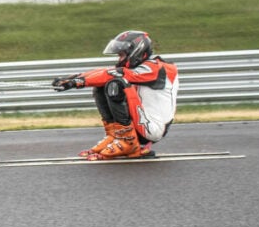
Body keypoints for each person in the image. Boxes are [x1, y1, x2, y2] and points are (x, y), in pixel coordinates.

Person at [51, 30, 179, 159]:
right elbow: (105, 72)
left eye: (122, 55)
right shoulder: (144, 66)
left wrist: (77, 83)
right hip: (142, 123)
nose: (119, 59)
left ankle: (128, 142)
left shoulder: (158, 68)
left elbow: (114, 73)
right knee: (102, 85)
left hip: (152, 128)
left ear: (136, 50)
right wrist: (72, 78)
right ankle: (115, 135)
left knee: (116, 84)